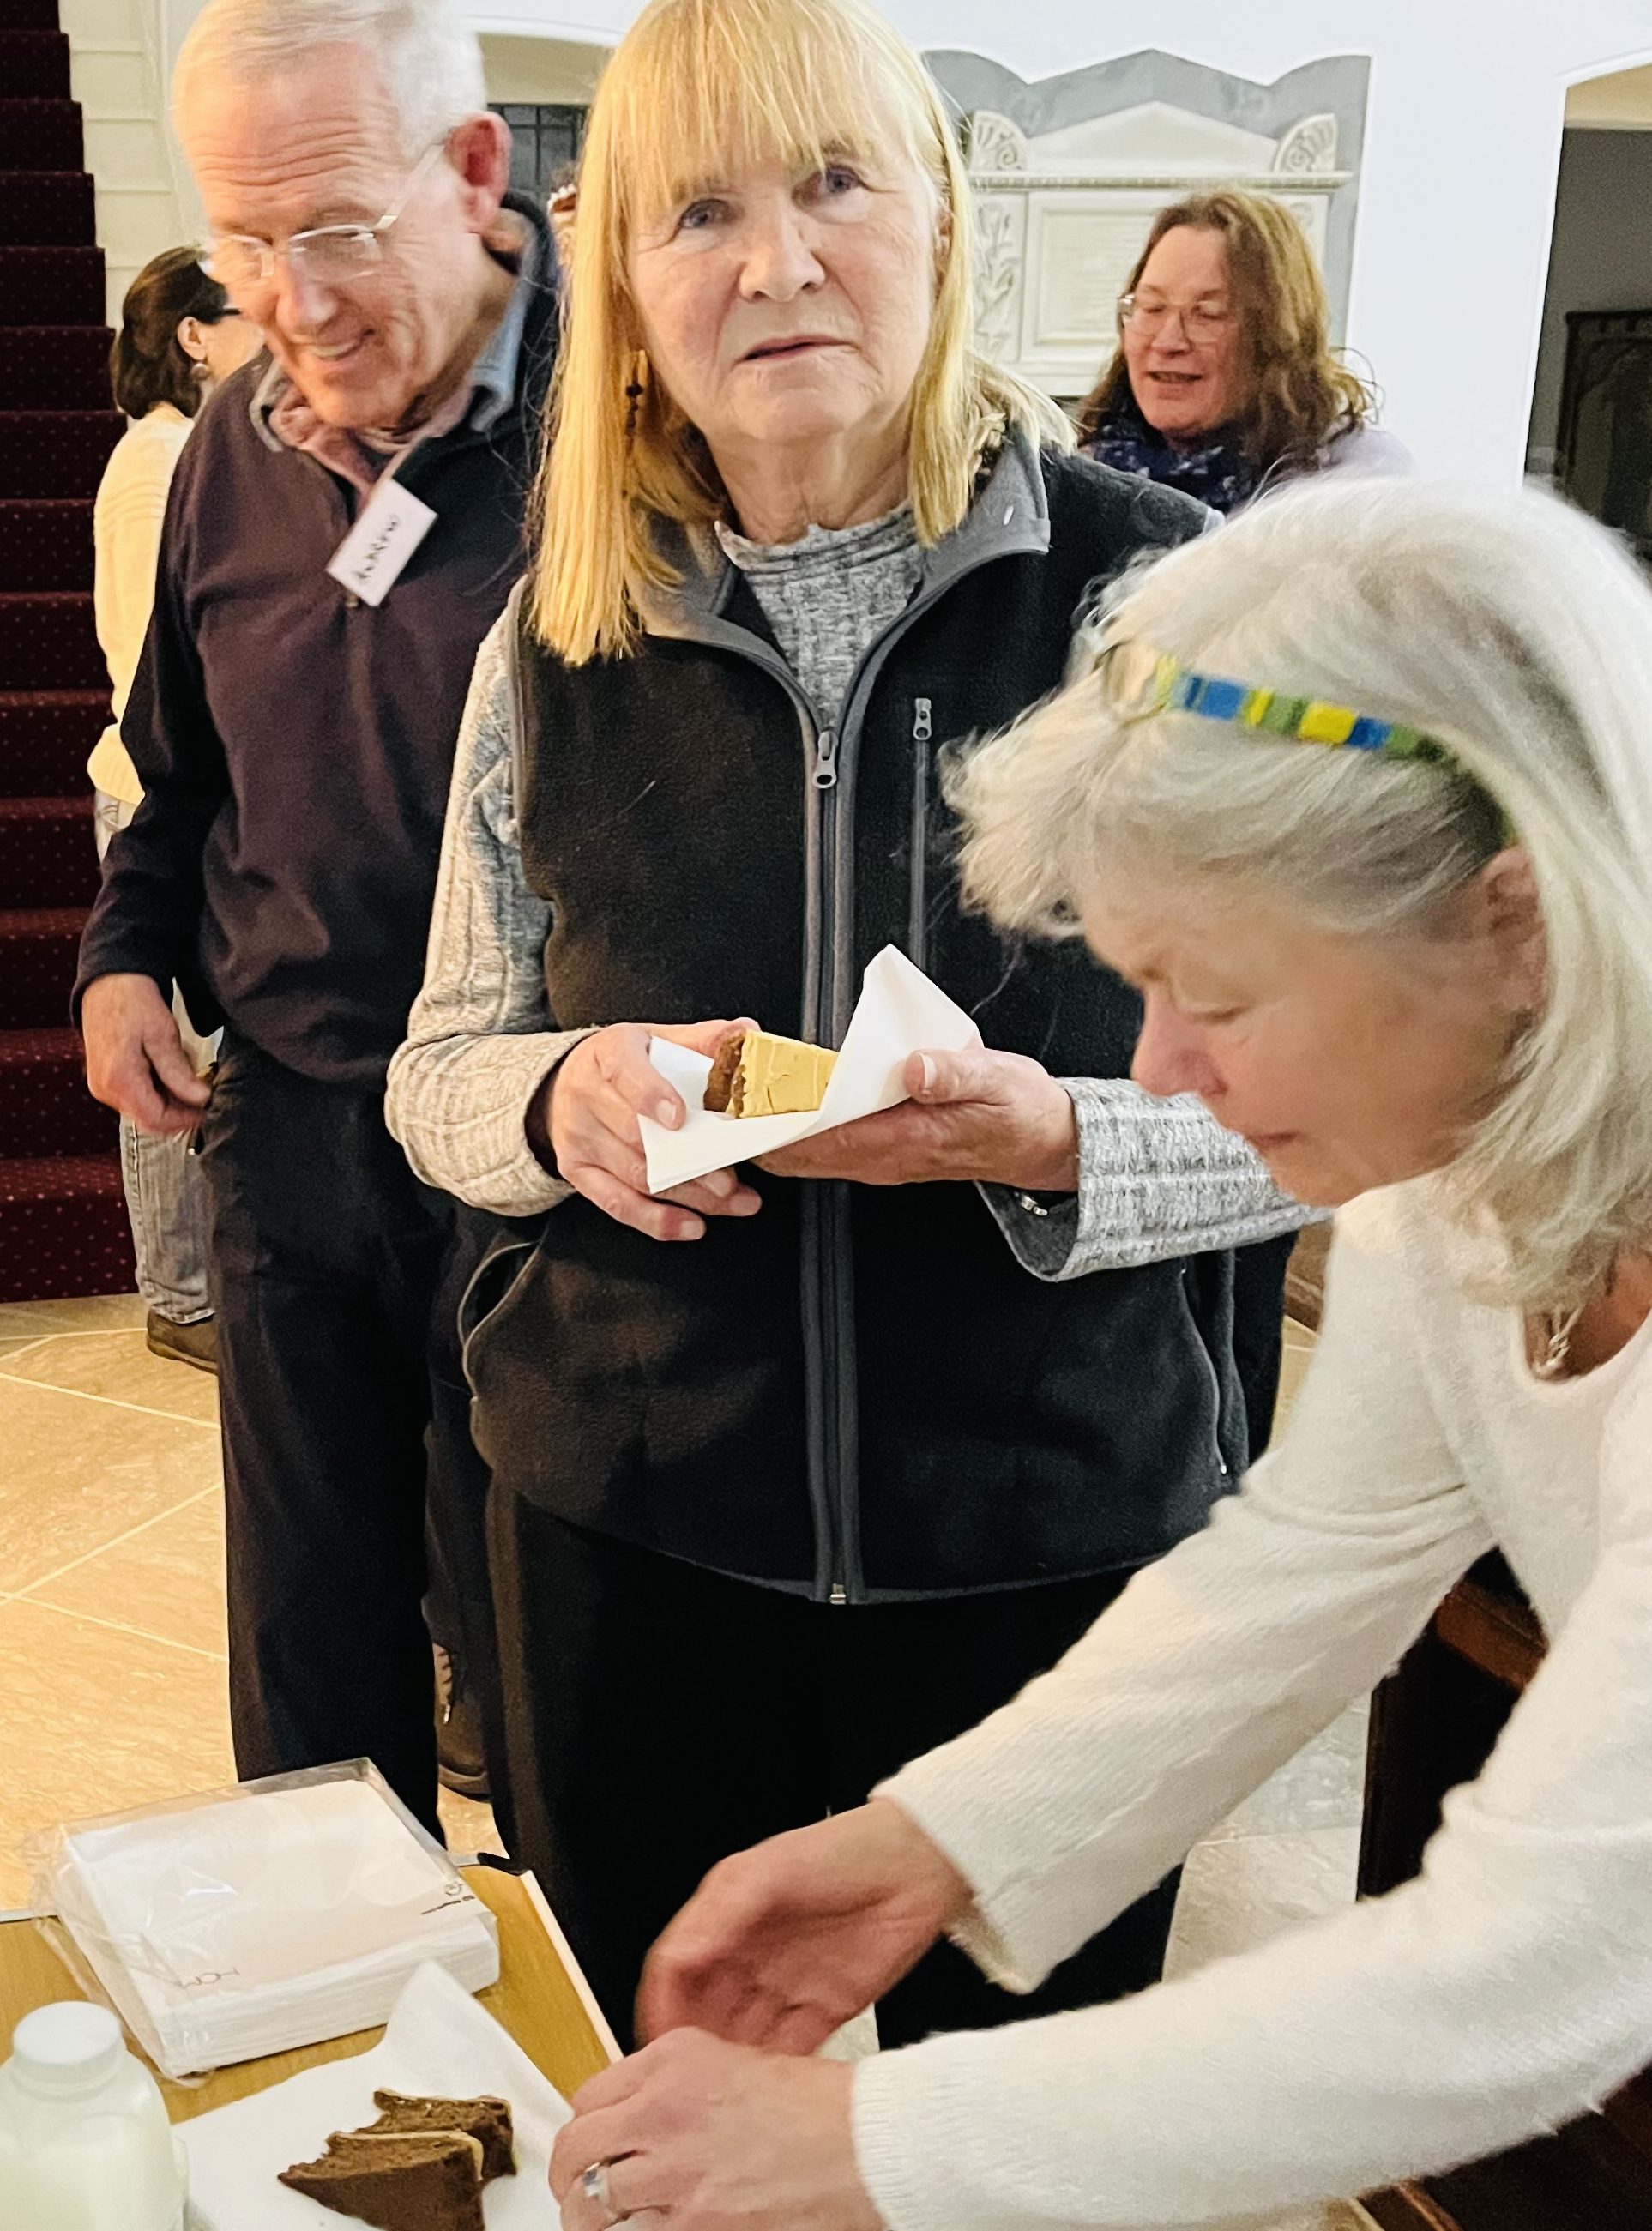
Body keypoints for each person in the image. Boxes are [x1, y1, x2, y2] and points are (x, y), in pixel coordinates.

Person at [552, 474, 1652, 2230]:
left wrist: (874, 2144)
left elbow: (1548, 1959)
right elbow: (1310, 1561)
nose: (1149, 1074)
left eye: (1211, 994)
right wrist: (937, 1842)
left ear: (1514, 923)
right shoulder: (1459, 1165)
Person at [387, 0, 1307, 2045]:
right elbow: (436, 1066)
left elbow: (1322, 1109)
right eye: (695, 209)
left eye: (833, 183)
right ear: (619, 281)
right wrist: (565, 1101)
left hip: (1052, 1566)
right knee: (682, 2113)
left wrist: (1051, 1141)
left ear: (945, 211)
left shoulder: (1162, 609)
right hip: (634, 1548)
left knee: (1013, 2144)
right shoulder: (551, 631)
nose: (775, 262)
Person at [75, 0, 559, 1837]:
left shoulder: (627, 436)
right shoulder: (225, 451)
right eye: (246, 245)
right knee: (307, 1645)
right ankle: (354, 2043)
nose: (295, 298)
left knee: (543, 1649)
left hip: (541, 1146)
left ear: (474, 172)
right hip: (290, 1122)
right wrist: (126, 949)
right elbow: (173, 765)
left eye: (337, 230)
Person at [90, 248, 261, 1372]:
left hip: (160, 782)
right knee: (170, 1059)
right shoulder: (164, 458)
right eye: (239, 305)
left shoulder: (174, 450)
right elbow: (173, 651)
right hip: (153, 791)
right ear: (193, 336)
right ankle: (179, 1293)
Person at [1076, 189, 1410, 516]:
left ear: (1275, 334)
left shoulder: (1354, 487)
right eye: (1152, 308)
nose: (1168, 342)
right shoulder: (1074, 476)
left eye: (1207, 313)